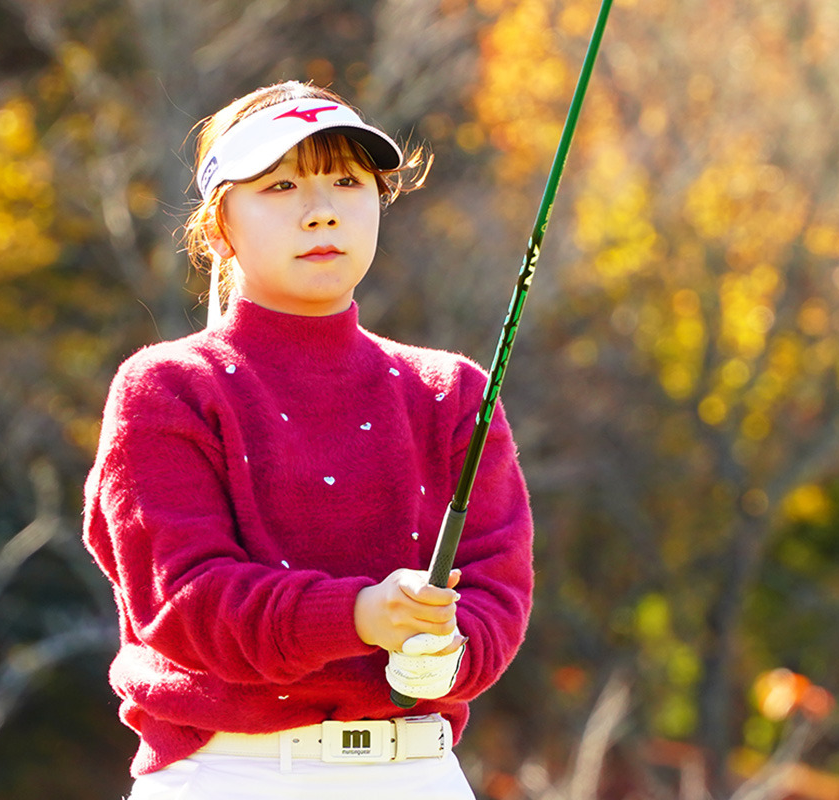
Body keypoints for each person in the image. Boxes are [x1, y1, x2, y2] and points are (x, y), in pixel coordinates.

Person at [83, 80, 533, 800]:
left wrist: (446, 654)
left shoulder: (452, 392)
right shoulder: (167, 388)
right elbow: (185, 602)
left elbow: (496, 590)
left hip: (419, 773)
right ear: (219, 227)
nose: (321, 210)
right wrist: (361, 616)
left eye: (347, 182)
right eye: (281, 185)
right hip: (230, 774)